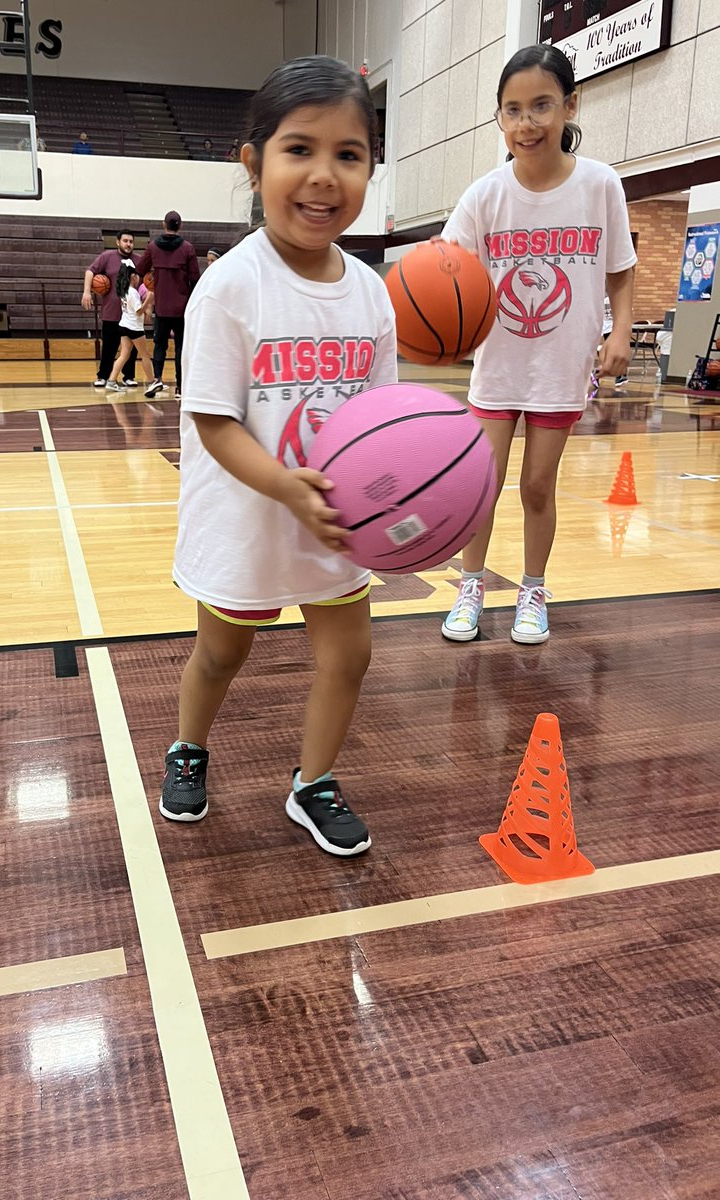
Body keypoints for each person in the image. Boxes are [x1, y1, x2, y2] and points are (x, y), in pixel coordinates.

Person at [158, 56, 397, 857]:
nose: (324, 177)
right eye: (301, 149)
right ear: (253, 161)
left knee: (351, 654)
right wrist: (286, 489)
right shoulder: (230, 286)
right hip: (248, 516)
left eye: (349, 155)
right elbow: (215, 424)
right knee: (222, 651)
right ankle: (189, 746)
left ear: (369, 167)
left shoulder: (371, 291)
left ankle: (313, 783)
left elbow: (380, 419)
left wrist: (402, 495)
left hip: (332, 518)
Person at [439, 43, 635, 646]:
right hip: (498, 363)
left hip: (559, 363)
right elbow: (449, 271)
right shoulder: (484, 196)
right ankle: (470, 586)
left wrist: (621, 330)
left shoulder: (600, 185)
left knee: (537, 486)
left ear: (571, 105)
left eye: (542, 106)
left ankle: (532, 589)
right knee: (481, 483)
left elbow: (621, 269)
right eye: (513, 110)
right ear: (499, 117)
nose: (527, 124)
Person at [137, 212, 200, 398]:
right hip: (182, 308)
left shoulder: (153, 247)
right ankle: (180, 387)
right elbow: (195, 278)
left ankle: (157, 379)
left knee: (159, 344)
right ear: (179, 226)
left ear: (163, 224)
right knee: (181, 347)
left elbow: (140, 269)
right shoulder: (188, 248)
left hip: (162, 307)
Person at [82, 229, 141, 387]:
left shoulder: (139, 260)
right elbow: (90, 271)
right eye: (125, 241)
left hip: (130, 314)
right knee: (109, 347)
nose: (128, 244)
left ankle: (128, 376)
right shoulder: (107, 257)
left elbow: (148, 282)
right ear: (118, 242)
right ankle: (103, 376)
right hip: (111, 312)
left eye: (131, 241)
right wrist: (87, 292)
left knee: (131, 349)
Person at [106, 267, 155, 391]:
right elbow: (138, 312)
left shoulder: (125, 290)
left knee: (124, 355)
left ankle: (111, 381)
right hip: (134, 328)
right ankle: (151, 383)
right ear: (133, 277)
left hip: (124, 325)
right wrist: (148, 300)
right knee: (145, 355)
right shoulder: (132, 292)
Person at [595, 294, 629, 392]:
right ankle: (598, 374)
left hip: (611, 329)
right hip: (609, 329)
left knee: (613, 354)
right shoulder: (610, 300)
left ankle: (621, 375)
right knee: (609, 354)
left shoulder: (611, 299)